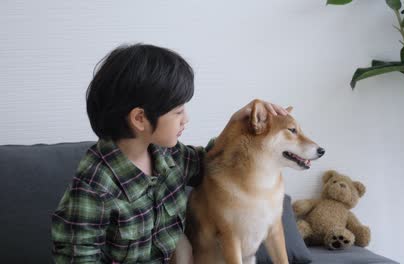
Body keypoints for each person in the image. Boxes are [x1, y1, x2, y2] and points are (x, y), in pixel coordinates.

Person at [51, 43, 287, 263]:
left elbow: (213, 162)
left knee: (182, 245)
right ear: (140, 119)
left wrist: (234, 125)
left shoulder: (169, 155)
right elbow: (79, 256)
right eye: (178, 112)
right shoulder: (94, 186)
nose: (186, 119)